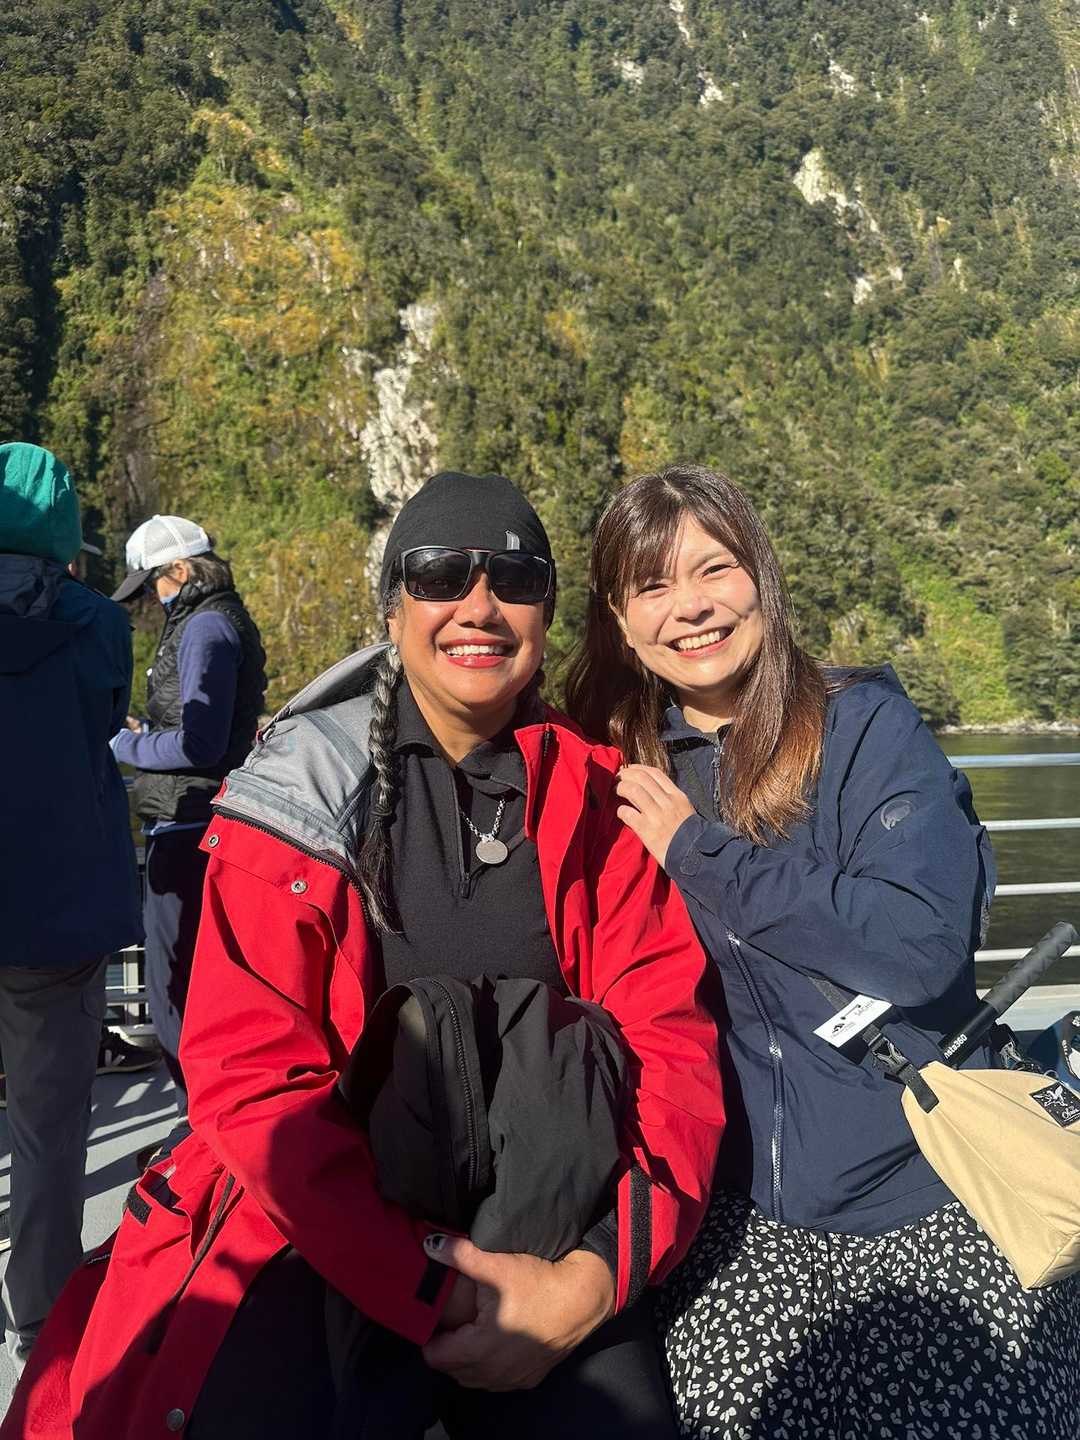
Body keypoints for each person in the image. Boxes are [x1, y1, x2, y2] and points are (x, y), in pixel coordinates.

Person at [5, 472, 723, 1440]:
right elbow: (254, 1085)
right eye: (440, 575)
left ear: (548, 614)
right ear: (392, 609)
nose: (479, 605)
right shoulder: (297, 801)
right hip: (328, 1241)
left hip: (557, 1242)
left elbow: (672, 1047)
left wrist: (593, 1280)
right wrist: (433, 1288)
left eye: (514, 578)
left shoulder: (600, 801)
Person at [566, 463, 1080, 1439]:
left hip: (925, 1181)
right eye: (654, 585)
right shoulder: (618, 765)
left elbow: (918, 943)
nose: (692, 607)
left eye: (715, 569)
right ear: (621, 621)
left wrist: (700, 853)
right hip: (735, 1208)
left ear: (760, 577)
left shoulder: (863, 727)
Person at [0, 442, 143, 1370]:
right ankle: (40, 1319)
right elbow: (102, 722)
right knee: (48, 1129)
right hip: (53, 908)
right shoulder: (97, 624)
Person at [110, 516, 266, 1111]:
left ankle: (197, 1118)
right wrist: (149, 731)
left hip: (187, 823)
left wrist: (123, 745)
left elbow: (200, 743)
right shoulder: (220, 616)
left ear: (179, 570)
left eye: (154, 583)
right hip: (205, 817)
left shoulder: (203, 627)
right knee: (200, 976)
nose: (154, 597)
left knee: (172, 978)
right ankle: (210, 1113)